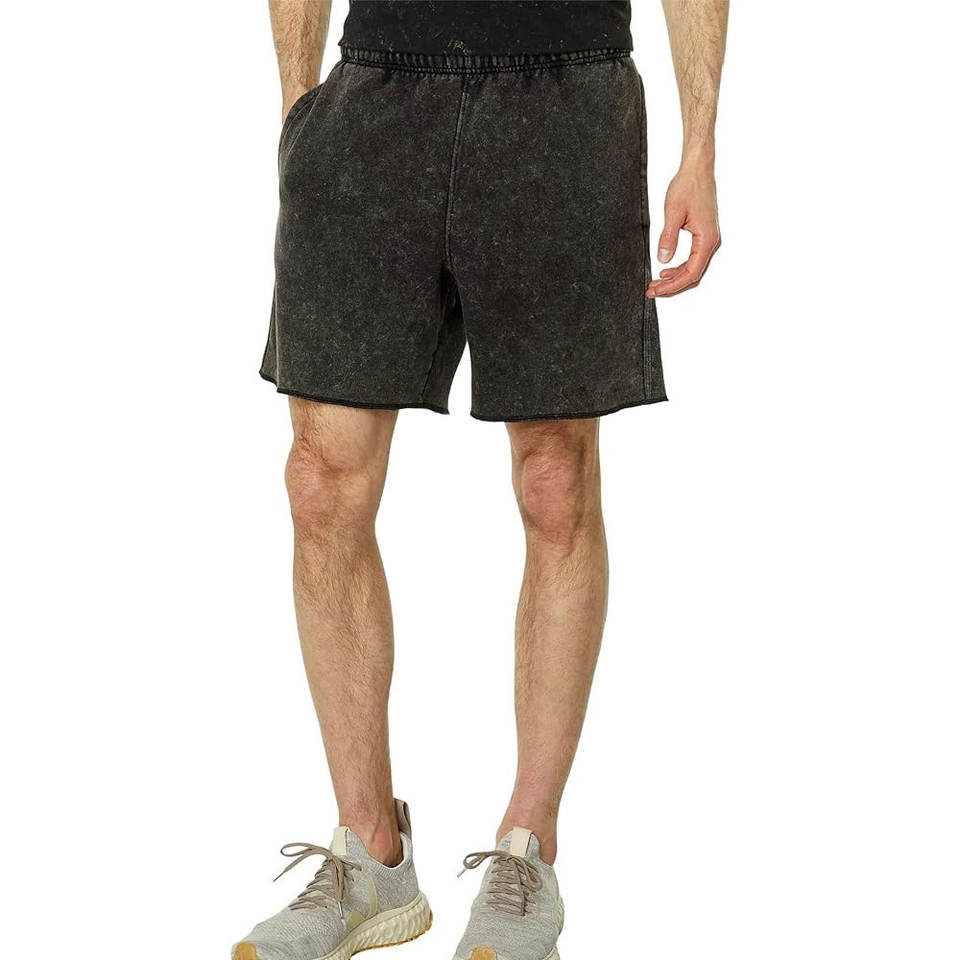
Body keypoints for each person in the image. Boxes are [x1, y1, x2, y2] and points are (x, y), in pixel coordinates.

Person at [233, 2, 727, 958]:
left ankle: (527, 851)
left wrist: (700, 143)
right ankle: (370, 858)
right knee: (321, 480)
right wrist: (299, 108)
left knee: (555, 479)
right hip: (374, 93)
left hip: (568, 89)